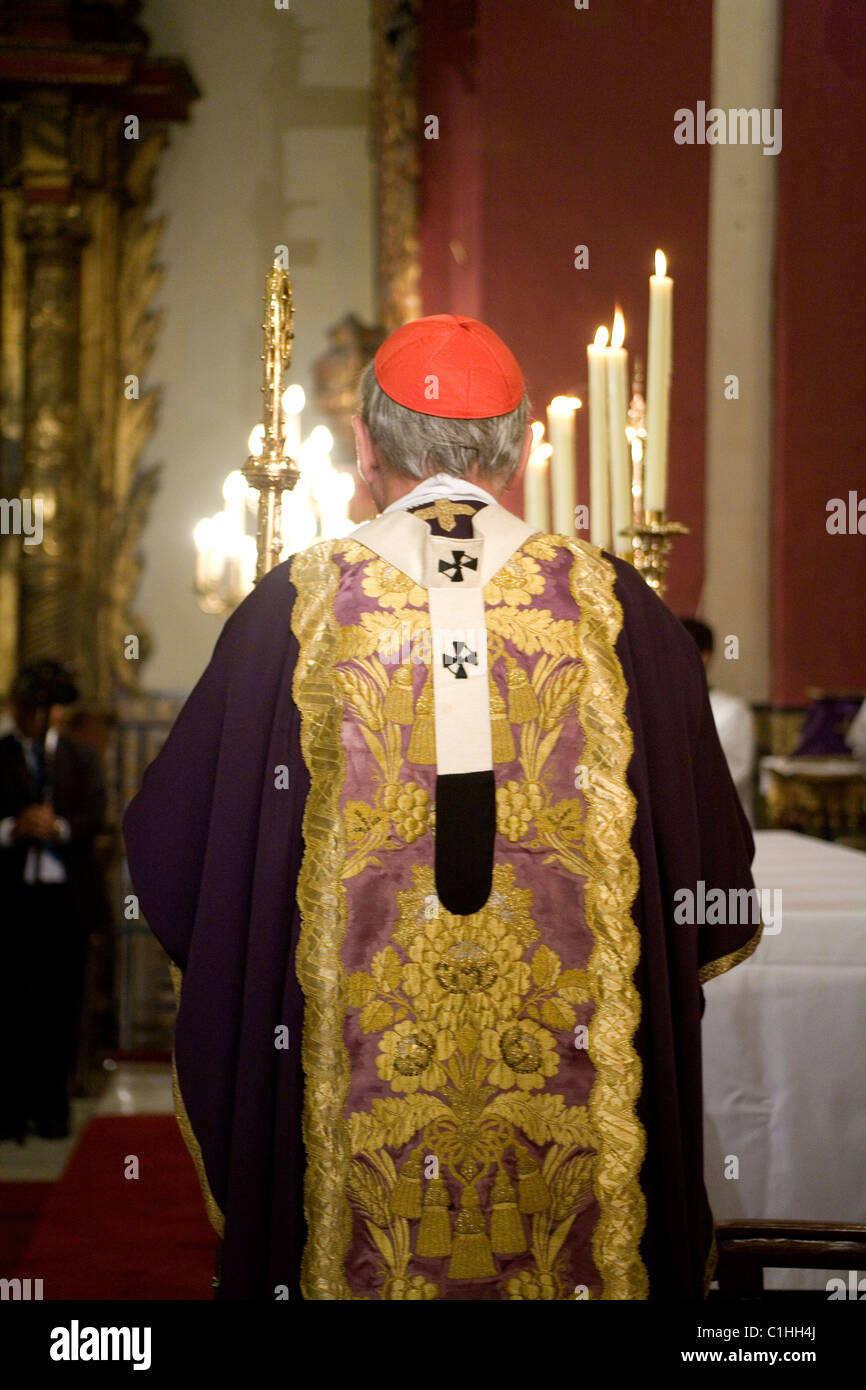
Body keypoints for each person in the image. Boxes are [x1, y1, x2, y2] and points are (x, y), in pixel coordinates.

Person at [124, 313, 760, 1302]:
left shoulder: (287, 614)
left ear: (367, 446)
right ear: (510, 452)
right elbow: (709, 880)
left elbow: (172, 860)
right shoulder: (620, 612)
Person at [0, 660, 106, 1140]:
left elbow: (93, 815)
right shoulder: (0, 755)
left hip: (66, 900)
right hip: (12, 901)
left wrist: (57, 827)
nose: (41, 716)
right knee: (13, 1006)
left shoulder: (80, 758)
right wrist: (12, 828)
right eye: (32, 708)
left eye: (49, 708)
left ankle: (52, 1107)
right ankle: (10, 1109)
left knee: (60, 1006)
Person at [679, 618, 756, 825]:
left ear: (703, 657)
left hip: (718, 824)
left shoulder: (731, 711)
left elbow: (730, 775)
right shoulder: (655, 708)